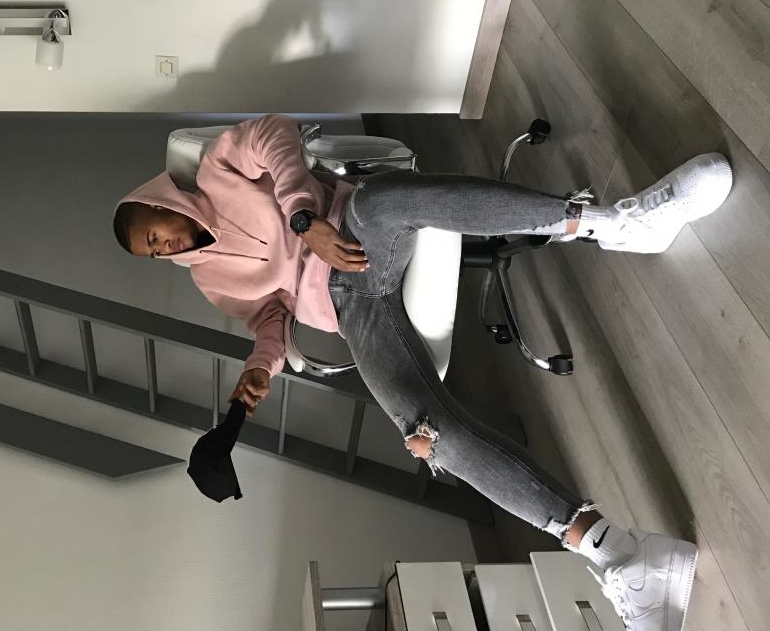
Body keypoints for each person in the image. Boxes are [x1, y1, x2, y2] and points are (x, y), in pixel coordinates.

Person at [113, 114, 732, 631]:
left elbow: (274, 134)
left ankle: (617, 224)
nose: (165, 249)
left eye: (154, 233)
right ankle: (617, 553)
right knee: (428, 434)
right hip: (351, 310)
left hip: (355, 232)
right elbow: (269, 318)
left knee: (383, 201)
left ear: (159, 201)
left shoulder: (219, 170)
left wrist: (305, 219)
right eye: (153, 254)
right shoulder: (210, 279)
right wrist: (260, 368)